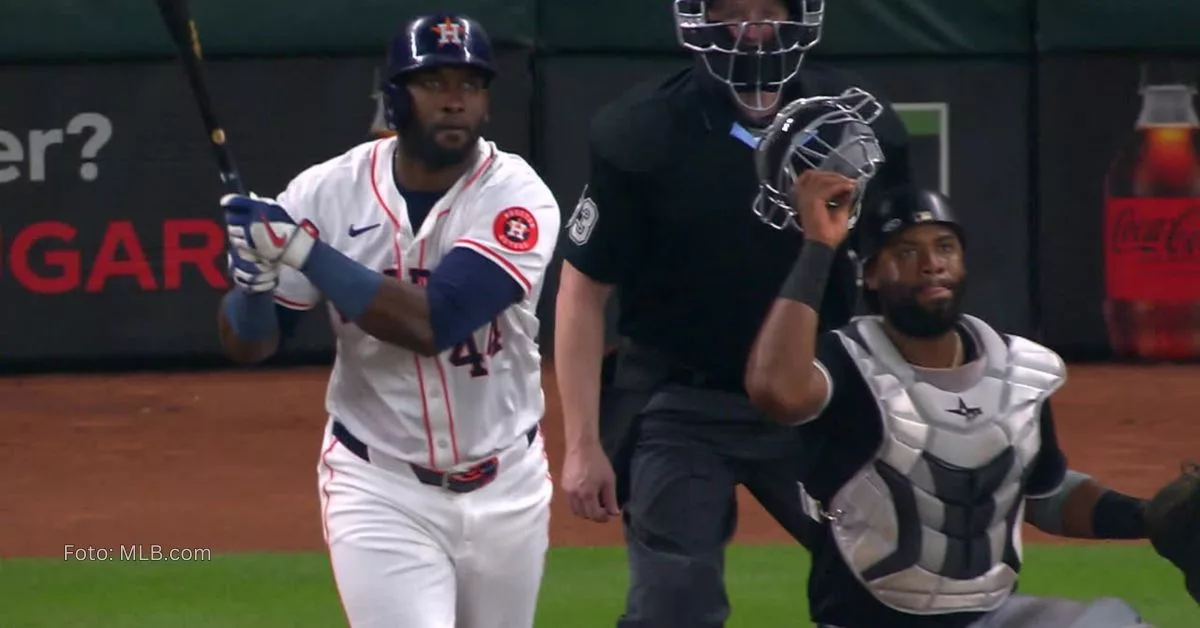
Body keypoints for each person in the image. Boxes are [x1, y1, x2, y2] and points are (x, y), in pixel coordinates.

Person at [554, 0, 913, 625]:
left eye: (768, 8)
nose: (752, 28)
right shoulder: (639, 133)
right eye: (731, 10)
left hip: (817, 397)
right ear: (699, 17)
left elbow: (899, 272)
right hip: (680, 403)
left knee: (897, 580)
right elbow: (583, 290)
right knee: (675, 605)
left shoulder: (863, 126)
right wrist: (582, 443)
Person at [215, 13, 559, 628]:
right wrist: (251, 286)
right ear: (395, 97)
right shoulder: (326, 192)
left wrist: (299, 252)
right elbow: (253, 346)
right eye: (435, 84)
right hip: (380, 487)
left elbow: (436, 324)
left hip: (508, 484)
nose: (455, 101)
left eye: (471, 86)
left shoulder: (517, 196)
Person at [744, 179, 1165, 628]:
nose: (931, 264)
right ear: (870, 272)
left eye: (944, 247)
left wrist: (1152, 516)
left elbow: (1044, 493)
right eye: (906, 252)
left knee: (1114, 623)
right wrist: (818, 248)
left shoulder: (1018, 372)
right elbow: (776, 391)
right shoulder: (847, 365)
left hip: (989, 618)